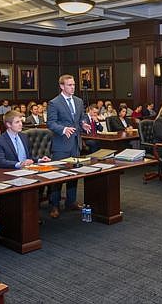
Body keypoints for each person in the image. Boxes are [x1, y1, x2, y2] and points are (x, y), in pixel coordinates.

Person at [47, 74, 90, 219]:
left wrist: (83, 123)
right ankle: (54, 205)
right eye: (69, 85)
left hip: (75, 143)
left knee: (74, 174)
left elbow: (82, 116)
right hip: (61, 145)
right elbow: (51, 123)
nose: (73, 87)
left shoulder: (78, 101)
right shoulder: (54, 103)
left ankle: (71, 202)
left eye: (73, 85)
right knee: (57, 177)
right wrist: (63, 129)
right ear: (62, 86)